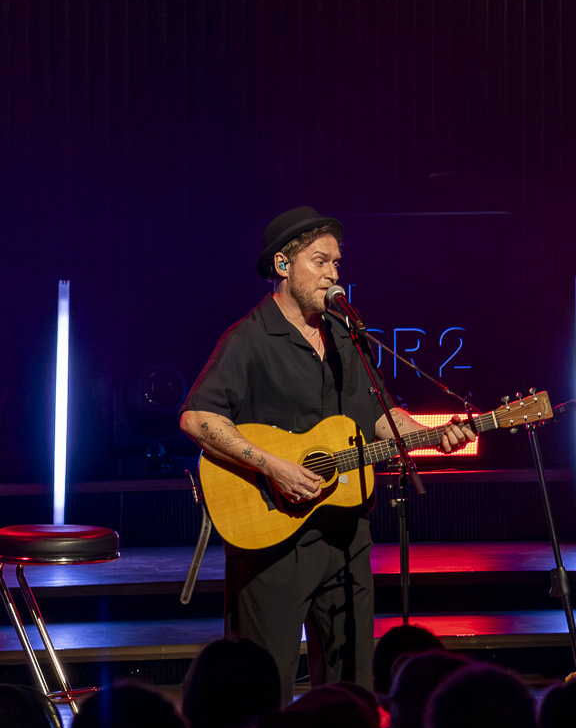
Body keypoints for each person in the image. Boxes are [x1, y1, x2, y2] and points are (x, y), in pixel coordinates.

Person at [180, 207, 474, 700]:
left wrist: (437, 432)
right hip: (274, 535)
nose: (334, 274)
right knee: (264, 686)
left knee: (351, 681)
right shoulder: (248, 338)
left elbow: (380, 418)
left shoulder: (344, 336)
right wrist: (273, 466)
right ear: (283, 265)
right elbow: (197, 419)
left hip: (346, 533)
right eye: (320, 261)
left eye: (337, 263)